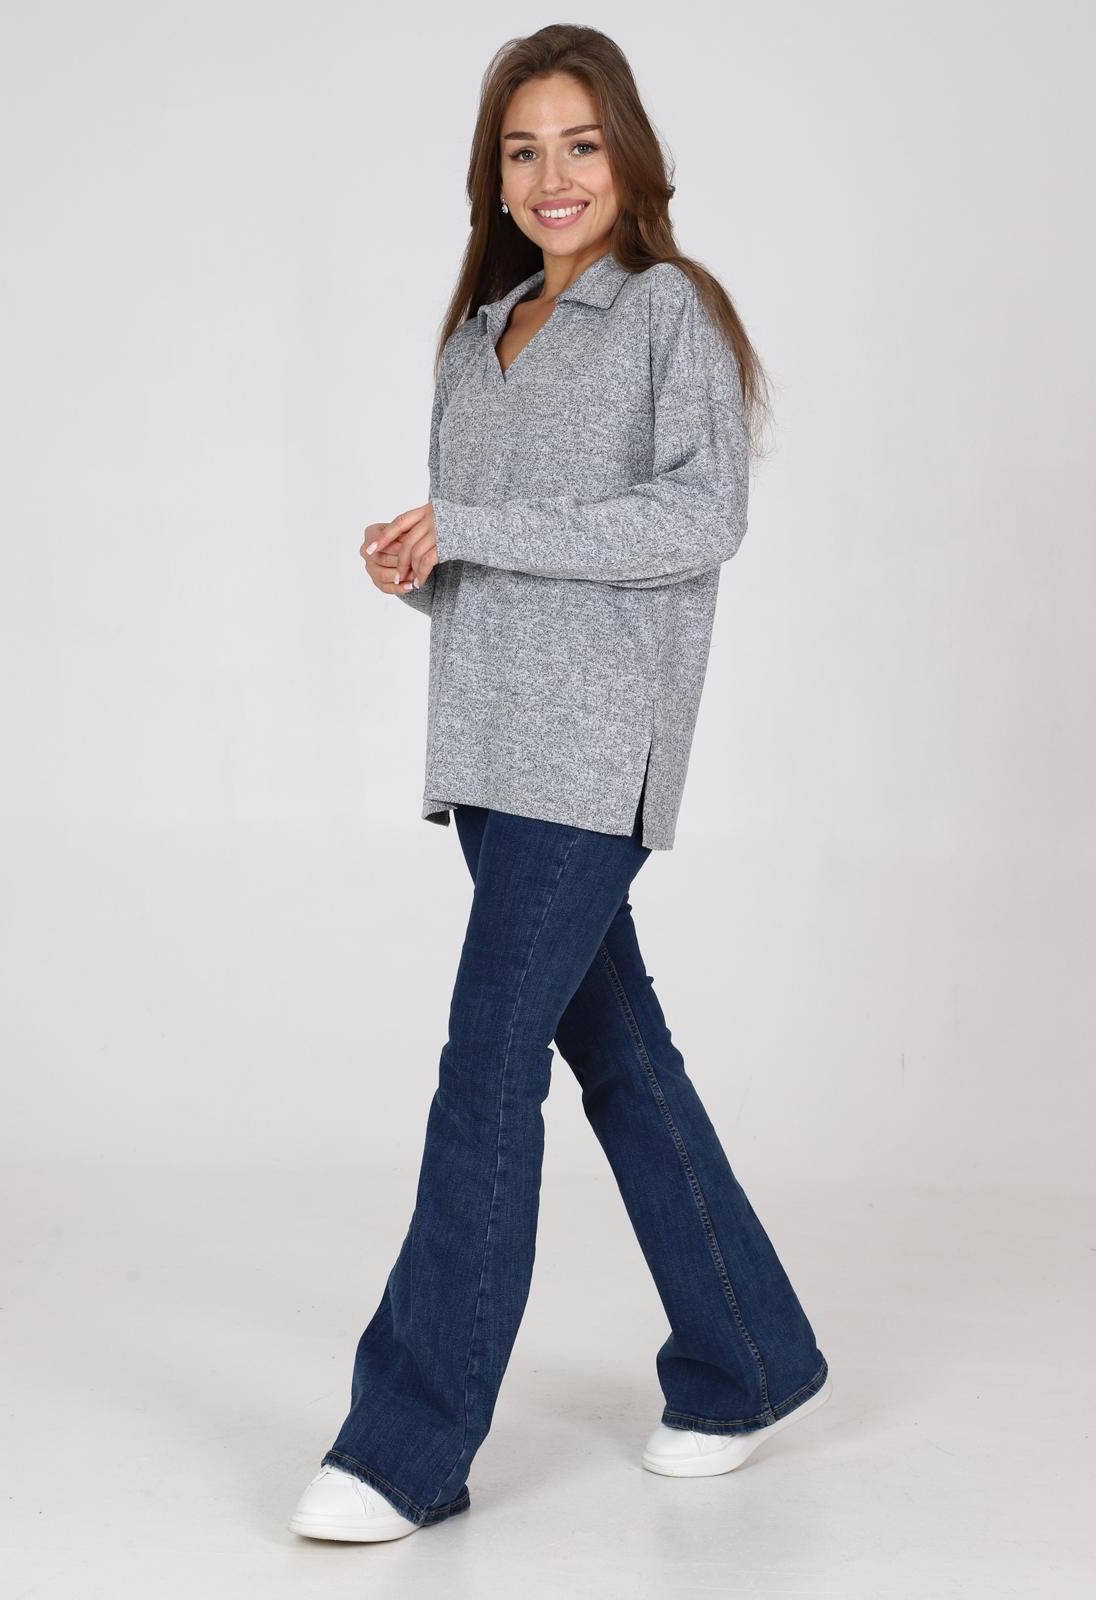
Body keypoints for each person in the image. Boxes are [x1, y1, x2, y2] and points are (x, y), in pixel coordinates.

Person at [290, 24, 832, 1544]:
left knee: (485, 1071)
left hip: (594, 757)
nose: (552, 176)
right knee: (623, 1062)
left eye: (579, 144)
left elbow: (697, 523)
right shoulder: (479, 336)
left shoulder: (668, 314)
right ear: (494, 176)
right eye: (522, 151)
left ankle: (407, 1445)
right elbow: (505, 554)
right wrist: (425, 564)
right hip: (487, 754)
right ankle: (748, 1359)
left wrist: (474, 528)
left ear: (629, 156)